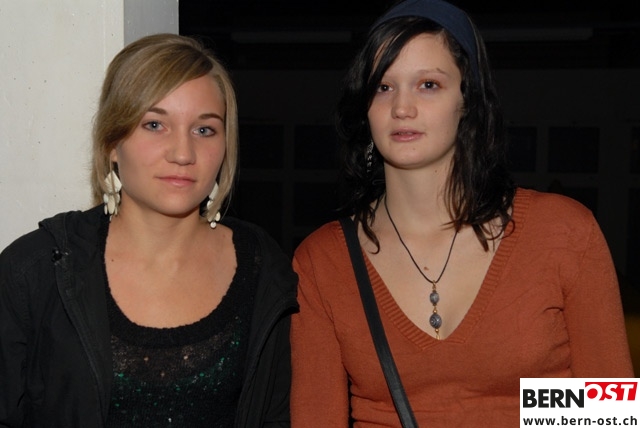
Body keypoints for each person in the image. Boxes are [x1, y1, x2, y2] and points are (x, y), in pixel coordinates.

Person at [290, 0, 634, 426]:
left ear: (468, 100)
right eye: (383, 86)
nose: (402, 107)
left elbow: (608, 414)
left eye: (428, 84)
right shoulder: (324, 261)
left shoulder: (562, 233)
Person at [0, 33, 298, 427]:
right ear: (112, 142)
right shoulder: (35, 271)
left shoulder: (263, 268)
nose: (183, 153)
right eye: (155, 124)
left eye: (204, 130)